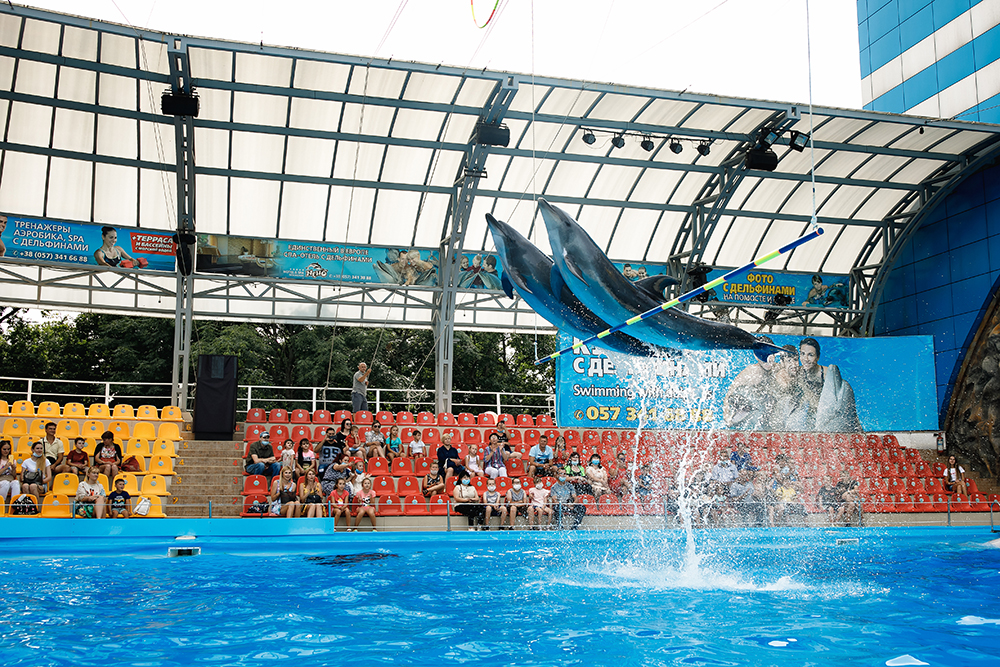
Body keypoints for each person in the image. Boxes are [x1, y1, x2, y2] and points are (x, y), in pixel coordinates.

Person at [784, 337, 861, 432]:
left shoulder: (826, 374)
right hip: (809, 415)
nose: (805, 359)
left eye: (810, 355)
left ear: (818, 357)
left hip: (824, 415)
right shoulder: (797, 373)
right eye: (803, 354)